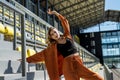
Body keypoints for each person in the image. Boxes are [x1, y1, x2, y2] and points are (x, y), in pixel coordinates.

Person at [23, 9, 104, 80]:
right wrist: (27, 59)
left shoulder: (67, 35)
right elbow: (42, 54)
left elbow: (65, 22)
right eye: (52, 34)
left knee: (96, 77)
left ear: (58, 31)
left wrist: (56, 13)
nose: (55, 34)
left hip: (77, 61)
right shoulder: (53, 46)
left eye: (55, 31)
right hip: (67, 65)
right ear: (51, 37)